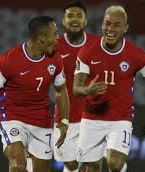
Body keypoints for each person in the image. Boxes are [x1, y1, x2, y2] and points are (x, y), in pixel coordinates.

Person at [0, 16, 70, 172]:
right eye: (54, 34)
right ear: (41, 38)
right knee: (18, 165)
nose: (57, 38)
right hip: (13, 116)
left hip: (41, 118)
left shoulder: (56, 60)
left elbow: (61, 91)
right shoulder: (8, 61)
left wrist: (64, 121)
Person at [73, 5, 145, 172]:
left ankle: (120, 166)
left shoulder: (136, 54)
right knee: (91, 168)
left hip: (120, 119)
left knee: (114, 163)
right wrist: (87, 90)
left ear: (126, 28)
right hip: (92, 117)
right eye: (107, 23)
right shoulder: (87, 52)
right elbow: (76, 88)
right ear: (102, 25)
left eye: (116, 25)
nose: (110, 29)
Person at [53, 1, 98, 172]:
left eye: (79, 16)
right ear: (63, 21)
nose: (75, 19)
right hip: (65, 117)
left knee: (92, 163)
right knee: (70, 164)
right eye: (70, 15)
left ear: (86, 21)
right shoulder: (53, 46)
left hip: (93, 116)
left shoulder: (97, 44)